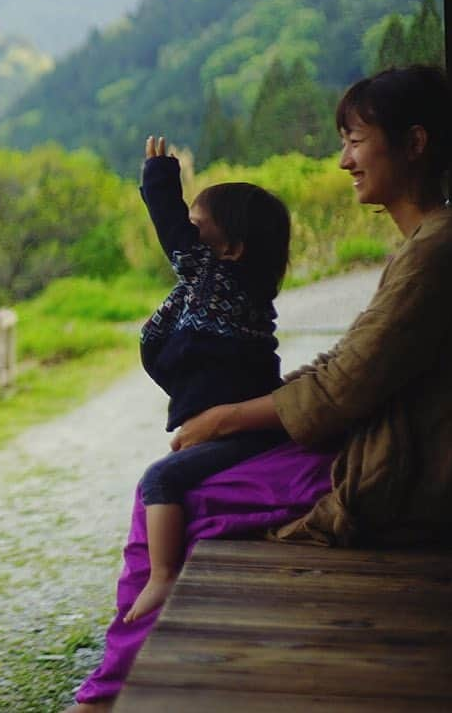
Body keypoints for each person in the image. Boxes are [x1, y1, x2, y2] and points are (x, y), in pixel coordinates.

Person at [67, 65, 452, 712]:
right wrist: (237, 417)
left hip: (410, 480)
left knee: (172, 494)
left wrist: (222, 421)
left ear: (412, 142)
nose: (342, 160)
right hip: (415, 460)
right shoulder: (436, 241)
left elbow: (340, 388)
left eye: (354, 139)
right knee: (188, 477)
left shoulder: (437, 251)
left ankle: (106, 696)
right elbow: (349, 369)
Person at [124, 134, 290, 622]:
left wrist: (159, 181)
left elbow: (174, 236)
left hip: (246, 428)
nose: (187, 239)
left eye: (198, 231)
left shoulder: (220, 282)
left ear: (232, 249)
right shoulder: (230, 288)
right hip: (236, 423)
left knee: (160, 479)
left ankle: (163, 577)